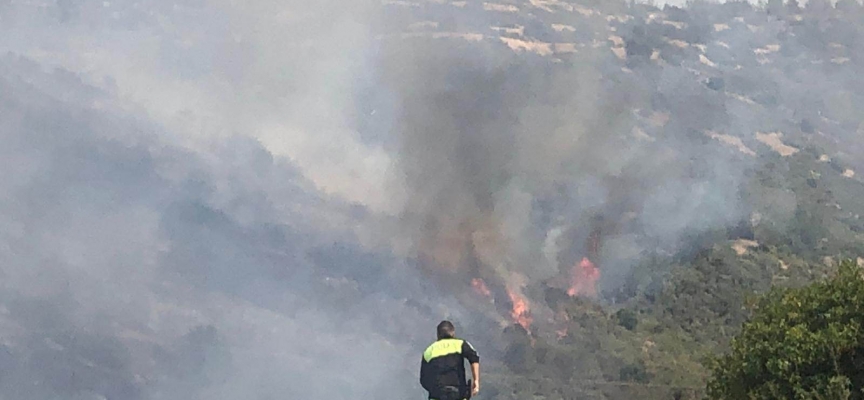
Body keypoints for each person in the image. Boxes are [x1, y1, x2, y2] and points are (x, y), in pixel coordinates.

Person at [420, 320, 480, 400]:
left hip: (437, 395)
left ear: (438, 335)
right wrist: (476, 380)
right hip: (458, 394)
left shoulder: (428, 351)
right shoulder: (460, 344)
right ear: (453, 333)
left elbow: (424, 380)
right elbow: (474, 358)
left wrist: (434, 390)